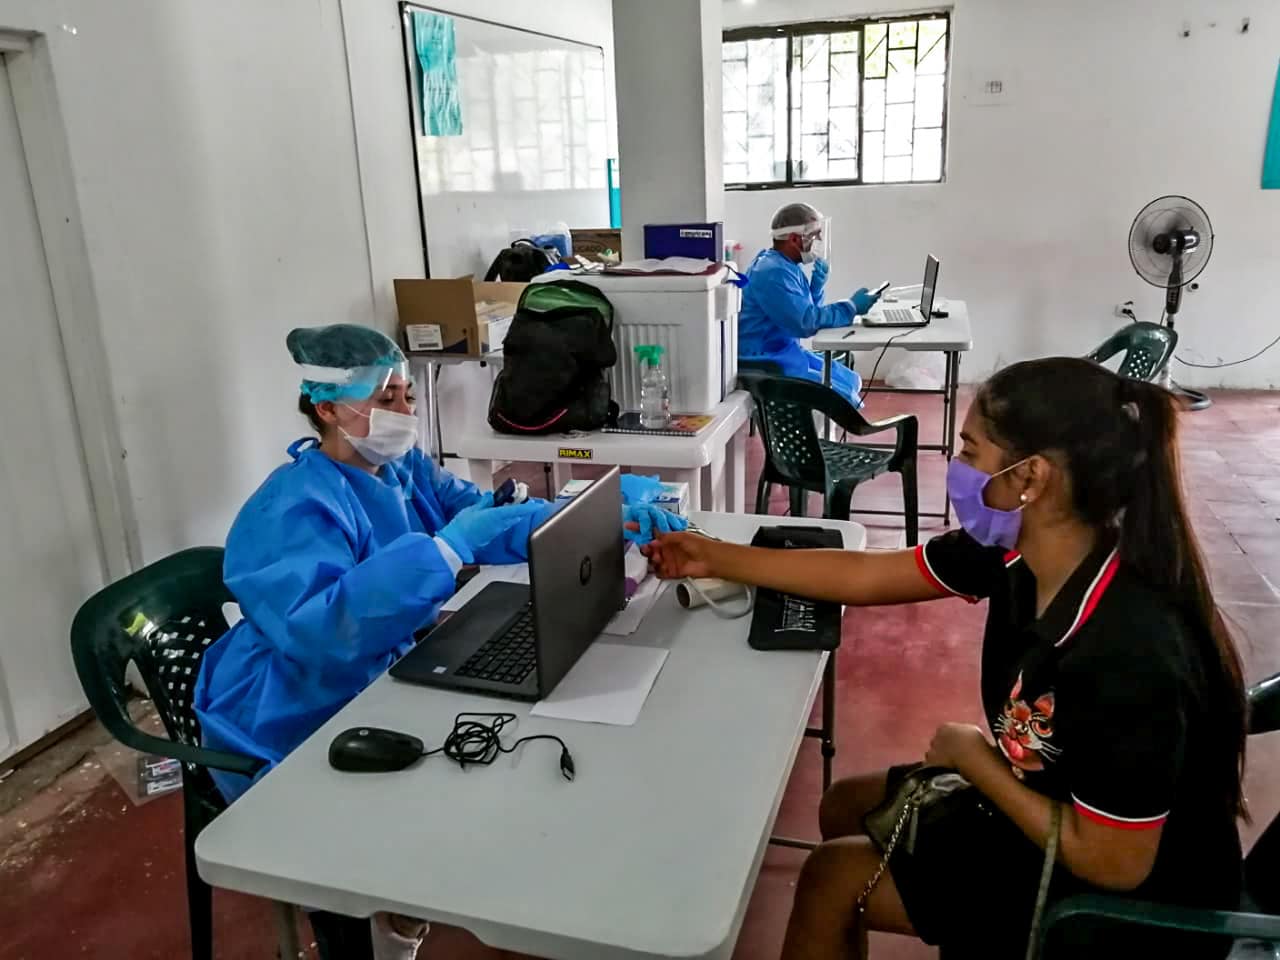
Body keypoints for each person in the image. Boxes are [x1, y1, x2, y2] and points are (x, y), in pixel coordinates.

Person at [644, 357, 1247, 959]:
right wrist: (714, 556)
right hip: (1054, 807)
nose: (956, 468)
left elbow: (1115, 861)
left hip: (1128, 908)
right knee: (844, 805)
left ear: (1030, 477)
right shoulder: (1023, 547)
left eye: (971, 449)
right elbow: (868, 574)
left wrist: (976, 763)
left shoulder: (1129, 650)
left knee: (831, 880)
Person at [194, 324, 684, 959]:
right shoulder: (289, 508)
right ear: (326, 407)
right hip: (294, 701)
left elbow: (485, 519)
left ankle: (403, 911)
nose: (404, 412)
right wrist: (443, 550)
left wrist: (601, 513)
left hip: (388, 664)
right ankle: (372, 918)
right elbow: (321, 632)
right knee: (401, 813)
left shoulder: (400, 471)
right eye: (387, 397)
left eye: (407, 396)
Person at [737, 202, 882, 404]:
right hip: (764, 358)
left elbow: (801, 310)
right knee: (842, 399)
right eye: (815, 235)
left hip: (783, 349)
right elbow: (805, 323)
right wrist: (851, 307)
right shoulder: (773, 272)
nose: (819, 240)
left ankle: (824, 430)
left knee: (850, 381)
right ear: (795, 239)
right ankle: (814, 434)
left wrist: (816, 288)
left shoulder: (784, 264)